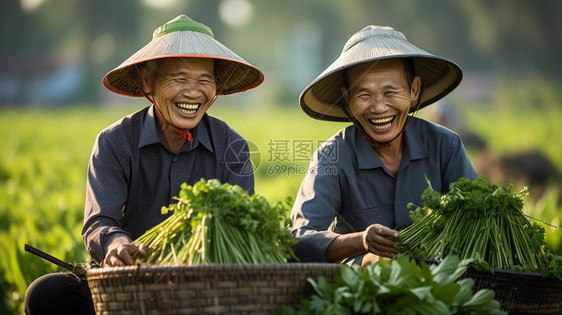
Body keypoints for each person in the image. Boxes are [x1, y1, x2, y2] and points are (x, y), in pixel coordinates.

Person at [24, 15, 263, 314]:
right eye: (179, 78)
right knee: (47, 293)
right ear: (148, 81)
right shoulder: (115, 142)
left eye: (205, 79)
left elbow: (242, 230)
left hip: (203, 288)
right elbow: (100, 221)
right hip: (124, 284)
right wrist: (117, 246)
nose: (193, 91)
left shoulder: (233, 147)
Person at [290, 25, 477, 268]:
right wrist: (362, 242)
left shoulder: (445, 146)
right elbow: (300, 240)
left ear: (414, 90)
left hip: (442, 281)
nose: (379, 108)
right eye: (364, 95)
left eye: (391, 92)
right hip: (361, 289)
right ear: (347, 98)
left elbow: (481, 217)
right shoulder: (332, 156)